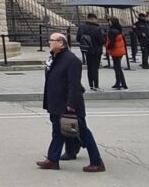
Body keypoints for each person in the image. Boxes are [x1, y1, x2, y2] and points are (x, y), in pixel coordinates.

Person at [37, 31, 105, 172]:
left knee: (83, 133)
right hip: (56, 103)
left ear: (61, 43)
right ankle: (52, 159)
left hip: (68, 104)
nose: (49, 42)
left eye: (52, 40)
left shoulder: (71, 60)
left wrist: (71, 104)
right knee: (57, 132)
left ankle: (97, 162)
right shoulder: (54, 59)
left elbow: (74, 84)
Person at [76, 14, 105, 90]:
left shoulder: (82, 27)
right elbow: (102, 40)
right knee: (95, 67)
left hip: (87, 49)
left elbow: (78, 38)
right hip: (97, 50)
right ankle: (96, 85)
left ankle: (91, 85)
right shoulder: (98, 28)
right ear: (94, 19)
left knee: (89, 66)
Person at [104, 20, 128, 90]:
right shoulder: (118, 30)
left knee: (117, 68)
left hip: (116, 50)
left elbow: (112, 42)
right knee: (118, 67)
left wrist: (107, 47)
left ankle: (121, 83)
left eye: (110, 21)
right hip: (120, 50)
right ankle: (120, 83)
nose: (109, 22)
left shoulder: (112, 31)